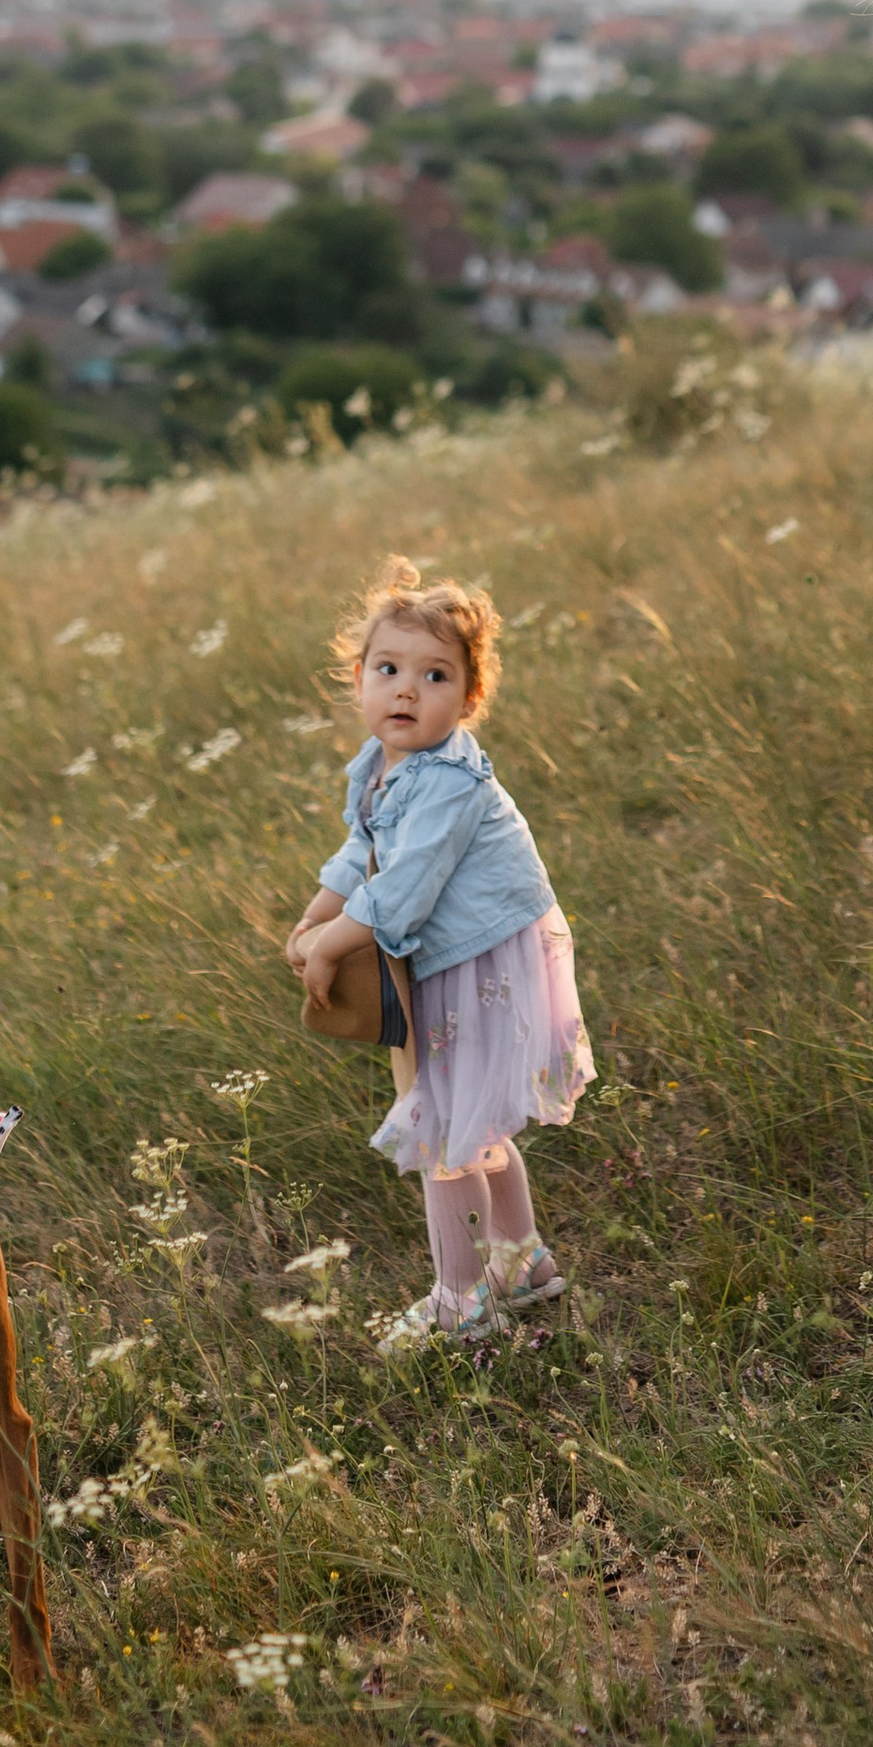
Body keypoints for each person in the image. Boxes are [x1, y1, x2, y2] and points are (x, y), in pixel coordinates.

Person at [287, 557, 595, 1346]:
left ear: (469, 698)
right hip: (453, 954)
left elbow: (406, 887)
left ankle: (462, 1300)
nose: (406, 691)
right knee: (464, 1118)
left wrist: (329, 950)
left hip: (480, 958)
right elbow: (362, 855)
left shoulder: (450, 780)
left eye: (434, 676)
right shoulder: (386, 766)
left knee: (445, 1131)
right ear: (357, 678)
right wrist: (316, 915)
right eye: (388, 670)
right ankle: (522, 1261)